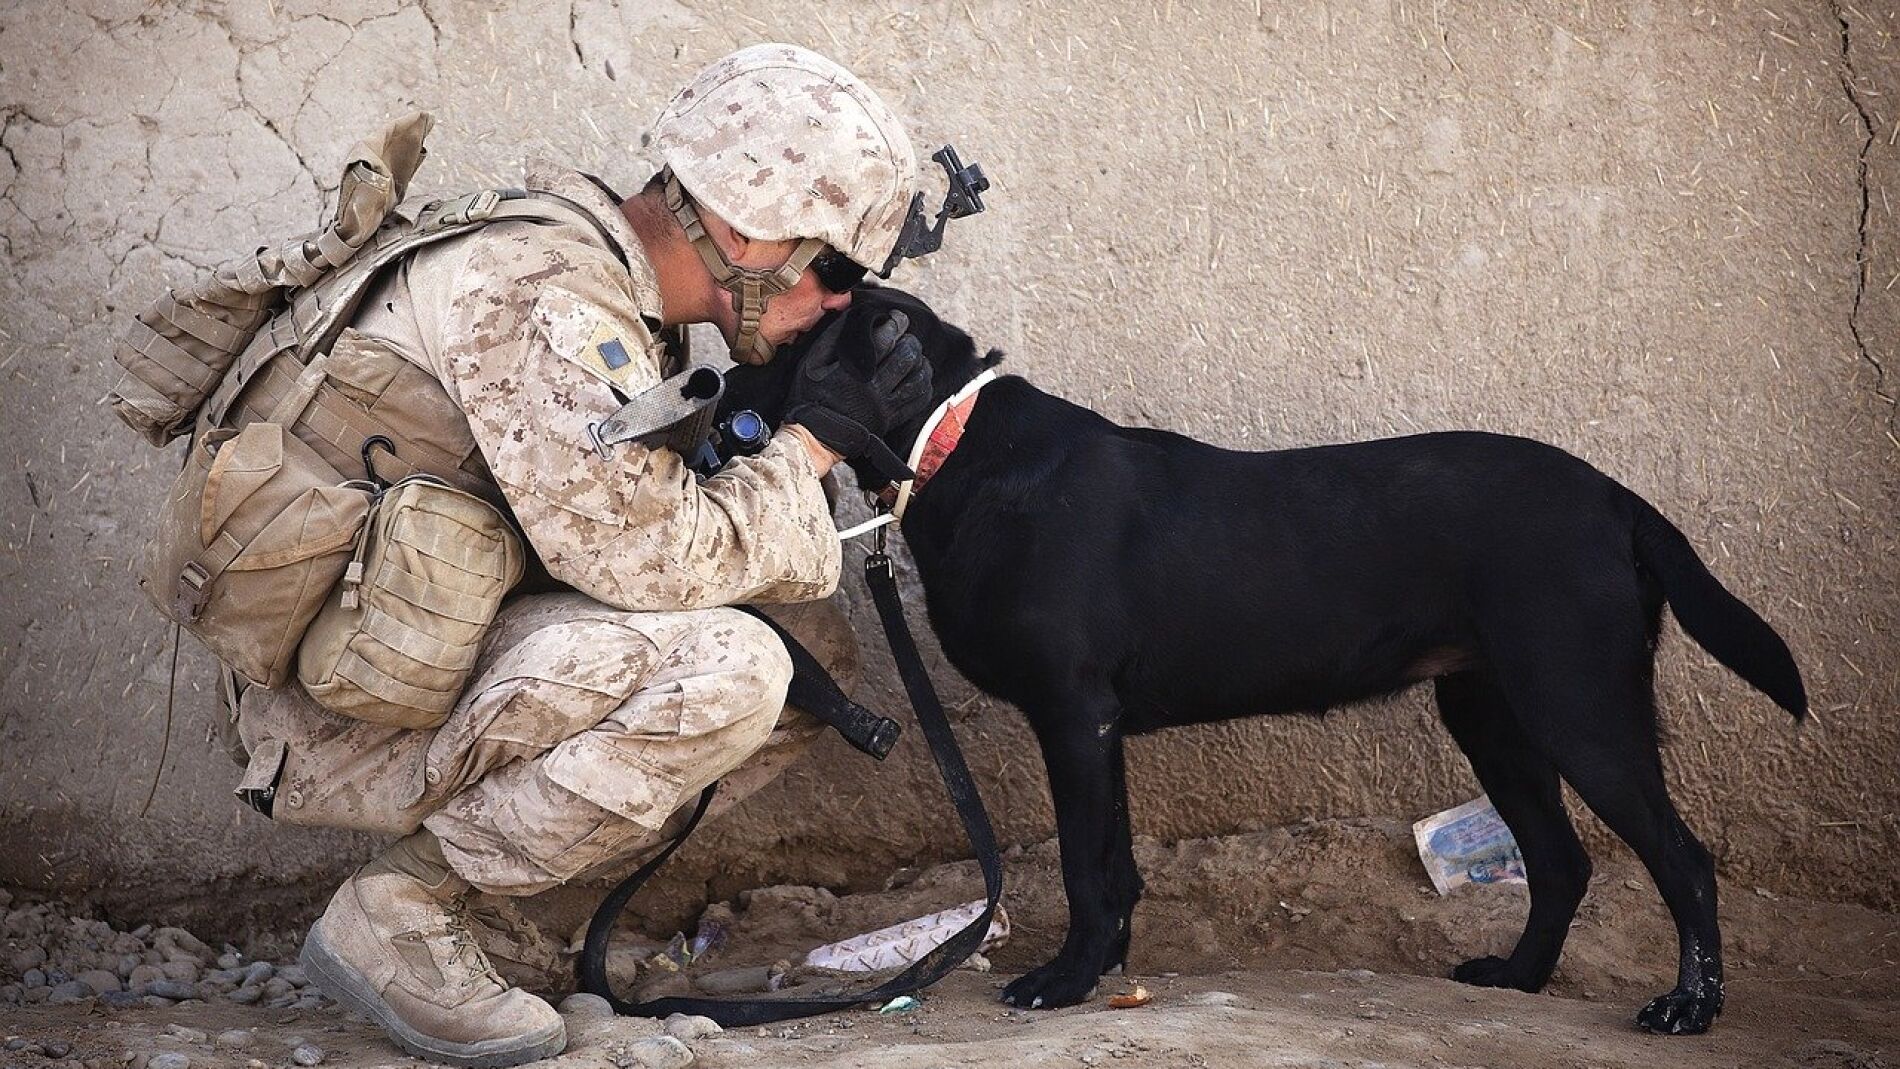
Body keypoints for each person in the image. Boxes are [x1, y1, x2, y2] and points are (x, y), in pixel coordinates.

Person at [233, 44, 942, 1066]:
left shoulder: (597, 282)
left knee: (809, 662)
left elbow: (621, 519)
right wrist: (811, 443)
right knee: (740, 671)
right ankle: (403, 911)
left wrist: (770, 424)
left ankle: (472, 901)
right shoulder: (545, 300)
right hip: (330, 711)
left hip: (402, 648)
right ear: (741, 229)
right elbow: (650, 560)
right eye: (830, 271)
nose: (836, 302)